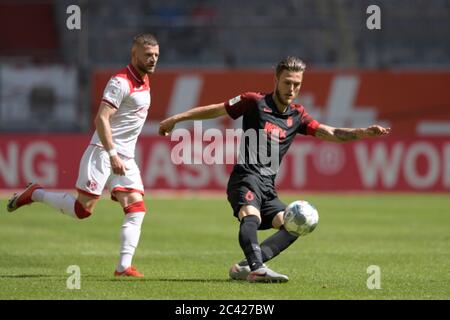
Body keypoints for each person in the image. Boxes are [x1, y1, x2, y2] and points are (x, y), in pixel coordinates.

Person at [159, 56, 390, 283]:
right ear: (276, 80)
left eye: (297, 84)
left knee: (296, 225)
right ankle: (258, 269)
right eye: (287, 82)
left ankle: (246, 266)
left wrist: (362, 133)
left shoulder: (297, 115)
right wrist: (178, 118)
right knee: (251, 216)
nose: (291, 88)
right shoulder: (254, 102)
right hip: (246, 177)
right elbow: (217, 110)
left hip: (268, 186)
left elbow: (329, 132)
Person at [7, 33, 160, 278]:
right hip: (103, 152)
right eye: (148, 55)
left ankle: (123, 268)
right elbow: (101, 118)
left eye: (155, 56)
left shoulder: (144, 80)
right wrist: (111, 153)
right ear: (134, 55)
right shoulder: (120, 82)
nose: (153, 60)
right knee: (83, 211)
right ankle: (35, 193)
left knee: (136, 208)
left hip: (126, 158)